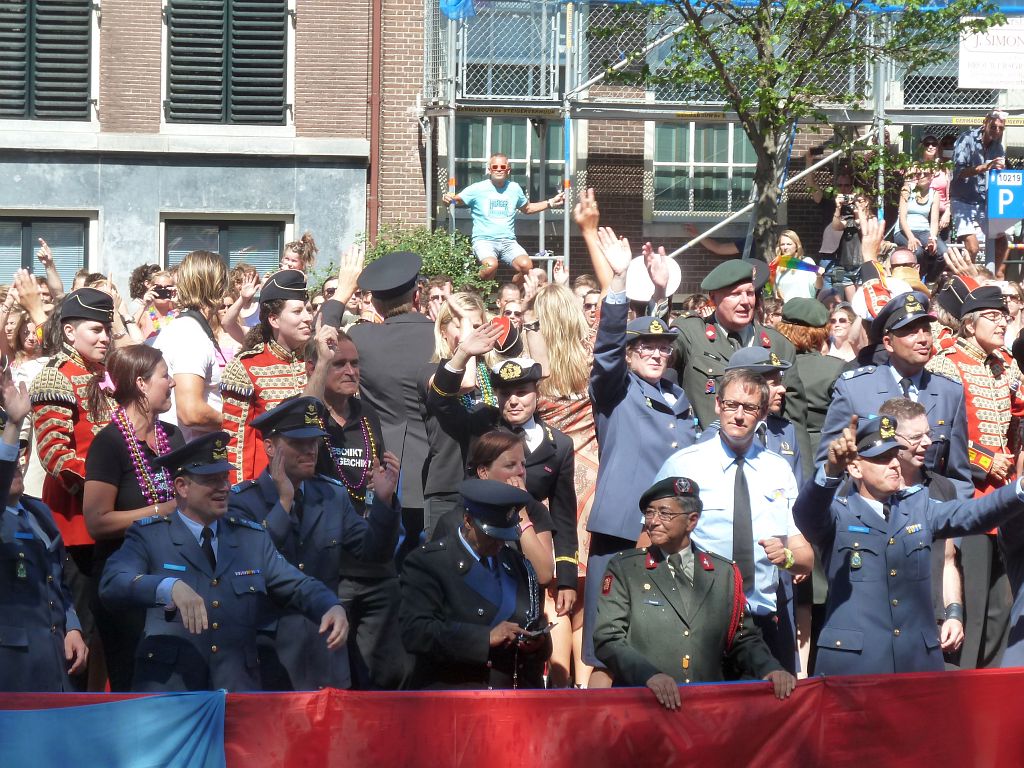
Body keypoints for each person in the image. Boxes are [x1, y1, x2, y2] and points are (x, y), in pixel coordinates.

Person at [98, 431, 349, 692]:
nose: (224, 487)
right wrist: (167, 587)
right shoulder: (150, 535)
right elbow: (113, 584)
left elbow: (297, 585)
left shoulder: (250, 537)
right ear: (182, 486)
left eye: (225, 477)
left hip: (236, 693)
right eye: (211, 480)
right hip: (172, 694)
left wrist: (329, 605)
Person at [795, 415, 1024, 676]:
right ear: (856, 469)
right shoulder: (838, 514)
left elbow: (975, 513)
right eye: (882, 458)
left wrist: (1020, 489)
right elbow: (806, 516)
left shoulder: (919, 507)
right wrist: (830, 473)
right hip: (855, 667)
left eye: (895, 455)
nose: (894, 464)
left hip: (916, 665)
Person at [581, 226, 697, 686]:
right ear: (628, 356)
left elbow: (660, 330)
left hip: (671, 534)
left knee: (660, 641)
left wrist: (663, 291)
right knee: (608, 646)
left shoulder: (676, 394)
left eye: (663, 347)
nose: (657, 352)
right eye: (645, 347)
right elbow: (607, 351)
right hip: (622, 533)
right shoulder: (616, 390)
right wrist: (616, 286)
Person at [229, 396, 401, 691]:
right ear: (270, 447)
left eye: (315, 441)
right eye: (298, 442)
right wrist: (283, 503)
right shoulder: (243, 502)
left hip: (326, 655)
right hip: (272, 659)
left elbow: (373, 554)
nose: (310, 450)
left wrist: (385, 504)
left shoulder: (331, 495)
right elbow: (254, 565)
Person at [655, 369, 813, 673]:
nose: (739, 415)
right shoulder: (684, 465)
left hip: (763, 623)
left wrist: (787, 557)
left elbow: (805, 557)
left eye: (750, 408)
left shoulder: (778, 470)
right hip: (699, 623)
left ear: (764, 413)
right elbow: (650, 543)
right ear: (718, 405)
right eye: (731, 405)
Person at [593, 476, 795, 710]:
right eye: (649, 513)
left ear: (692, 521)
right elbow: (608, 638)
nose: (654, 521)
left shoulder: (723, 573)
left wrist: (770, 668)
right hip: (643, 708)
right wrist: (649, 675)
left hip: (705, 710)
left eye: (665, 513)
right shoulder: (626, 568)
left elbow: (743, 637)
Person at [426, 351, 578, 607]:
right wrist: (463, 353)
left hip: (527, 545)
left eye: (521, 392)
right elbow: (439, 403)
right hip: (476, 538)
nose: (513, 401)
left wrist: (567, 579)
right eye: (505, 394)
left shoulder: (559, 445)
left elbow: (563, 514)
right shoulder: (481, 424)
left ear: (537, 392)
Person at [926, 284, 1022, 669]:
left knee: (1003, 606)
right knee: (975, 604)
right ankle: (962, 691)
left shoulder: (1008, 364)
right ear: (969, 325)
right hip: (971, 498)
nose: (1002, 323)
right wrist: (983, 461)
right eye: (993, 317)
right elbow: (937, 433)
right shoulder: (947, 363)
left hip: (1008, 500)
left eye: (1005, 316)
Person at [82, 345, 186, 691]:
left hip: (171, 574)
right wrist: (160, 510)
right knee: (136, 682)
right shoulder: (109, 443)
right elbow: (97, 521)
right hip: (124, 582)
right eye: (165, 376)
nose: (172, 383)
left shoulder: (172, 437)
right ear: (141, 383)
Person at [304, 330, 403, 689]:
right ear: (315, 369)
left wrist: (386, 493)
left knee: (380, 676)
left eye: (355, 363)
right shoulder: (312, 415)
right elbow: (303, 413)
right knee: (333, 678)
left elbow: (373, 480)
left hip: (373, 562)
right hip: (332, 568)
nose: (350, 371)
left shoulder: (366, 415)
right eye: (338, 364)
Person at [30, 287, 114, 689]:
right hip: (75, 526)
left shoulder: (102, 379)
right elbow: (54, 454)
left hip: (110, 525)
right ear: (68, 333)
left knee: (108, 634)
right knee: (79, 636)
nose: (105, 337)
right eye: (95, 329)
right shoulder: (55, 376)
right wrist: (109, 488)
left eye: (108, 330)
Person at [817, 291, 973, 500]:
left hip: (929, 516)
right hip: (868, 517)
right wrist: (846, 515)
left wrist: (952, 523)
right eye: (910, 332)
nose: (923, 339)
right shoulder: (854, 388)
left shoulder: (949, 392)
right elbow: (828, 464)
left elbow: (958, 475)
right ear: (888, 343)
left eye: (926, 330)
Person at [399, 478, 551, 690]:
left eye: (504, 535)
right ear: (468, 520)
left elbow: (533, 624)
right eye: (492, 535)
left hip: (511, 698)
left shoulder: (518, 565)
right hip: (457, 696)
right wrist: (484, 638)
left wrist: (537, 644)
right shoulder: (429, 563)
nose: (499, 543)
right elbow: (415, 632)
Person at [346, 251, 436, 566]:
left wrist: (342, 293)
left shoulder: (359, 336)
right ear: (417, 294)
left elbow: (323, 338)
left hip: (383, 472)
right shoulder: (439, 338)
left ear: (376, 304)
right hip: (436, 470)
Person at [0, 377, 88, 691]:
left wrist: (73, 627)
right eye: (11, 454)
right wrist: (13, 423)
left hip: (53, 661)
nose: (18, 461)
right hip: (13, 669)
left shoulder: (39, 513)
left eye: (22, 452)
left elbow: (58, 581)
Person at [878, 397, 964, 668]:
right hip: (882, 631)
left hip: (931, 631)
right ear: (890, 438)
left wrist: (953, 613)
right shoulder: (864, 489)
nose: (927, 443)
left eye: (928, 433)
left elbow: (948, 561)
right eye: (916, 437)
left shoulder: (942, 489)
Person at [670, 258, 801, 430]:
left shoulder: (778, 344)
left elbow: (795, 420)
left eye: (750, 293)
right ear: (713, 298)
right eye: (735, 294)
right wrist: (659, 296)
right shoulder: (692, 333)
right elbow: (660, 352)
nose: (746, 302)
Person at [221, 269, 325, 483]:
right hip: (268, 488)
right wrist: (242, 498)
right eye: (297, 312)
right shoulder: (246, 367)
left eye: (308, 309)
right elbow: (237, 444)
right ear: (274, 319)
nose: (308, 317)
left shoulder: (321, 359)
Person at [442, 152, 565, 280]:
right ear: (489, 170)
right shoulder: (478, 189)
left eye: (502, 167)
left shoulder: (514, 188)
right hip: (484, 240)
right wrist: (447, 200)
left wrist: (550, 203)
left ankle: (512, 291)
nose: (499, 170)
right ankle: (473, 290)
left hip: (508, 242)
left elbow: (527, 208)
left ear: (508, 170)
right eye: (495, 167)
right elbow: (456, 200)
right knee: (490, 266)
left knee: (527, 267)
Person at [153, 251, 230, 442]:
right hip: (191, 460)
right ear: (218, 287)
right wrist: (236, 423)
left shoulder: (189, 328)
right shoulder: (190, 334)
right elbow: (191, 411)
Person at [699, 347, 803, 483]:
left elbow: (797, 488)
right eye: (773, 384)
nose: (782, 389)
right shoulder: (715, 436)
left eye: (780, 382)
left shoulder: (785, 431)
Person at [774, 298, 845, 479]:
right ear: (820, 333)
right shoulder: (835, 369)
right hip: (819, 460)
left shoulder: (769, 365)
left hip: (774, 452)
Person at [951, 110, 1008, 277]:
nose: (997, 131)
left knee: (1001, 242)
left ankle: (996, 277)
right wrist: (986, 167)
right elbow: (960, 172)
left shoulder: (998, 146)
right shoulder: (966, 139)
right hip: (962, 200)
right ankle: (969, 279)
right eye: (993, 127)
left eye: (1000, 128)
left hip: (985, 201)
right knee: (973, 247)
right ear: (985, 123)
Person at [896, 168, 946, 281]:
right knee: (917, 252)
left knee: (943, 253)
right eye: (918, 174)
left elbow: (934, 221)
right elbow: (902, 218)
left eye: (925, 174)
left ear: (931, 176)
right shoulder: (907, 190)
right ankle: (916, 281)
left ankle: (930, 281)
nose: (921, 176)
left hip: (924, 230)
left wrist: (932, 238)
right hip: (904, 230)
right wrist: (911, 238)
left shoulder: (935, 194)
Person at [134, 270, 177, 341]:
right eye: (158, 288)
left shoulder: (178, 315)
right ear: (151, 288)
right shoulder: (144, 315)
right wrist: (143, 305)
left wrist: (178, 304)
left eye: (167, 288)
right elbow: (127, 332)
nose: (163, 291)